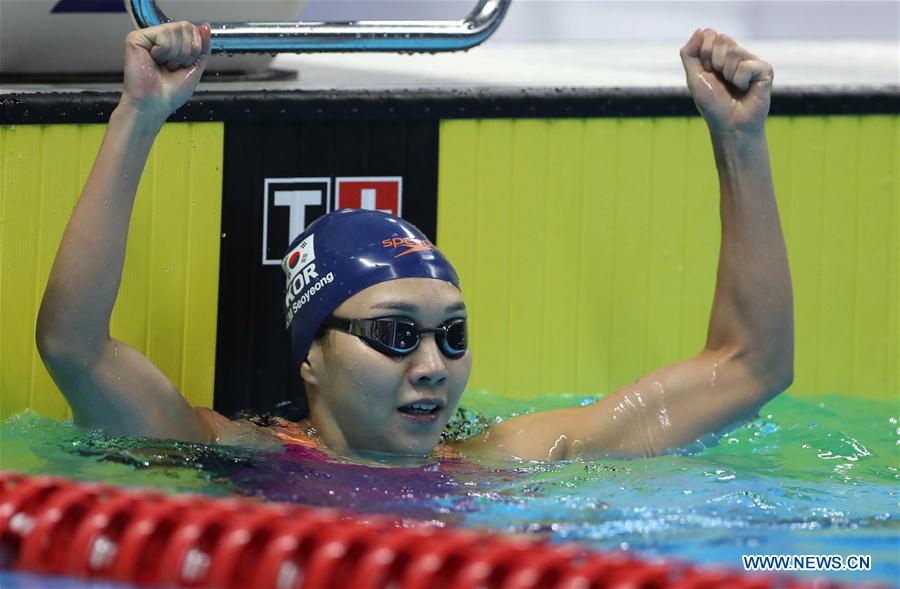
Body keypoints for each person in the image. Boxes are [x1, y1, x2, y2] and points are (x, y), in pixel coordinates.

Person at [36, 22, 793, 461]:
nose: (433, 367)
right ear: (312, 356)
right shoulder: (240, 458)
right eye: (396, 335)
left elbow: (751, 369)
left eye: (451, 335)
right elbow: (74, 347)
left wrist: (741, 141)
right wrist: (137, 115)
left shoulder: (498, 462)